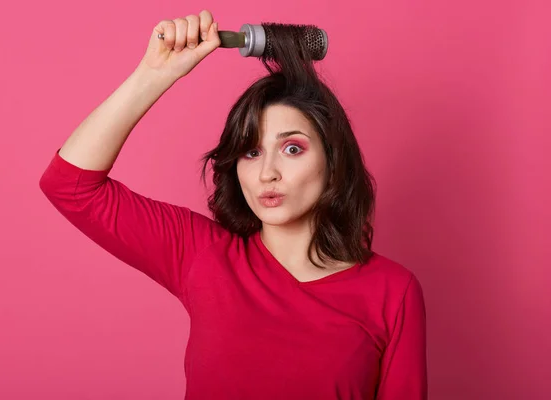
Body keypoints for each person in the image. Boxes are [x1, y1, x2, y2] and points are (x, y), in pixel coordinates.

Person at [39, 10, 427, 399]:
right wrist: (154, 75)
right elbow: (70, 186)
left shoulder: (393, 291)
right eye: (251, 152)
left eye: (292, 148)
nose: (267, 174)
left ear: (333, 160)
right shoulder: (203, 254)